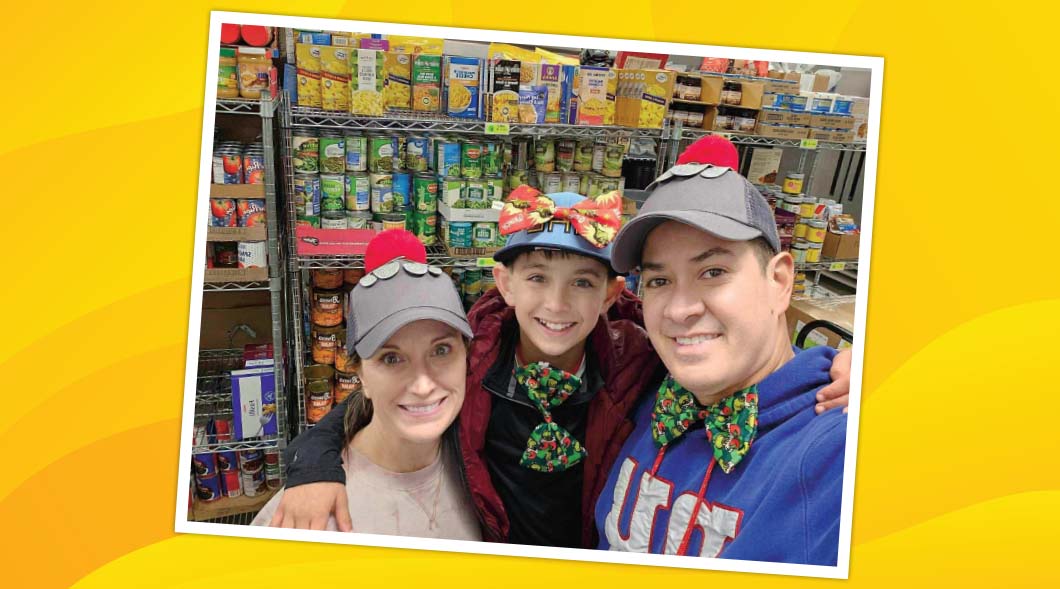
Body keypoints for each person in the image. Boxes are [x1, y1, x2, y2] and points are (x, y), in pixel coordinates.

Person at [269, 142, 852, 546]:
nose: (556, 304)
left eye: (582, 283)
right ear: (505, 284)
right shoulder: (475, 354)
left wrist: (860, 368)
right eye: (537, 279)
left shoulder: (647, 363)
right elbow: (400, 391)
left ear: (612, 295)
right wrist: (312, 462)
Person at [595, 163, 847, 565]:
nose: (679, 310)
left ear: (779, 282)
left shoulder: (838, 451)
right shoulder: (650, 385)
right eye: (659, 281)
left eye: (713, 272)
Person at [252, 230, 480, 541]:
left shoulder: (482, 456)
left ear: (467, 356)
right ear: (360, 375)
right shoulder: (306, 518)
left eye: (441, 350)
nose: (423, 385)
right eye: (391, 358)